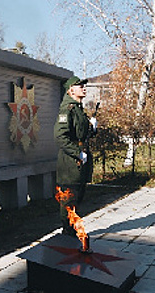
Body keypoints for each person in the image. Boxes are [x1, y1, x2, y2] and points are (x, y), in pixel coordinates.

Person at [54, 76, 97, 236]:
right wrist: (77, 153)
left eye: (83, 86)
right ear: (71, 90)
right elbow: (60, 137)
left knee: (77, 201)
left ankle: (71, 234)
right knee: (69, 202)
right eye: (80, 86)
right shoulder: (68, 110)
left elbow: (81, 134)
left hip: (80, 162)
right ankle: (67, 235)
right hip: (70, 165)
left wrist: (92, 128)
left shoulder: (78, 109)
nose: (83, 88)